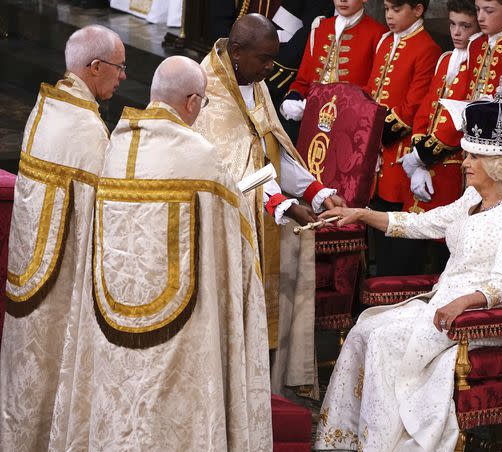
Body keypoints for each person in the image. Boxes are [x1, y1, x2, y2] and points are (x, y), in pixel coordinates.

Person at [48, 56, 273, 450]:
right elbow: (233, 236)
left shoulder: (115, 143)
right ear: (191, 101)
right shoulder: (199, 157)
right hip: (181, 327)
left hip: (112, 315)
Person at [314, 100, 502, 451]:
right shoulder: (470, 200)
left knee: (386, 340)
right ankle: (347, 438)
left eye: (472, 157)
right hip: (440, 305)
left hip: (478, 317)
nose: (464, 163)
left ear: (498, 165)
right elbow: (419, 223)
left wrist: (461, 303)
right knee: (365, 328)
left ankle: (382, 445)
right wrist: (361, 213)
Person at [192, 14, 345, 398]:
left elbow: (270, 149)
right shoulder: (207, 87)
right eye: (264, 59)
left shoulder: (252, 79)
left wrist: (315, 192)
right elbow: (226, 171)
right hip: (229, 224)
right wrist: (283, 205)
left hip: (267, 217)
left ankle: (268, 388)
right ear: (238, 51)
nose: (270, 69)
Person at [0, 25, 125, 452]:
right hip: (60, 283)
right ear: (94, 68)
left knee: (25, 372)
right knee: (51, 367)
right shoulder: (86, 130)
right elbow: (102, 214)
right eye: (119, 67)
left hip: (29, 271)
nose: (123, 76)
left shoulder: (48, 107)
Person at [396, 0, 479, 271]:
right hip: (424, 159)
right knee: (411, 243)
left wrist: (422, 157)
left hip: (450, 163)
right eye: (452, 24)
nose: (457, 32)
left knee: (443, 242)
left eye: (465, 26)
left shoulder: (476, 62)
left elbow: (459, 120)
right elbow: (426, 107)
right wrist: (416, 152)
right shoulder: (445, 59)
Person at [366, 0, 441, 276]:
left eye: (396, 10)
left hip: (399, 151)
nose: (389, 16)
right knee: (377, 227)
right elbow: (372, 88)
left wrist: (374, 134)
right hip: (376, 153)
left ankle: (397, 295)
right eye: (386, 9)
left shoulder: (427, 48)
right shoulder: (385, 42)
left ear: (418, 10)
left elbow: (414, 105)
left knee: (400, 238)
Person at [279, 0, 387, 122]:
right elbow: (302, 82)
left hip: (350, 123)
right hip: (311, 120)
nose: (342, 0)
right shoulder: (320, 27)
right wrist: (292, 99)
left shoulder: (378, 34)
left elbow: (374, 90)